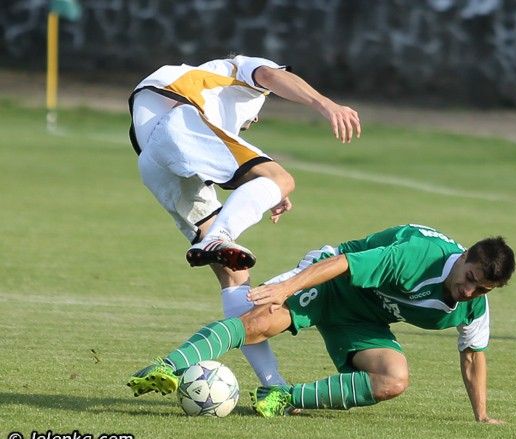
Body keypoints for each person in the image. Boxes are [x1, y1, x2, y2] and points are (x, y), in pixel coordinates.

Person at [128, 54, 361, 387]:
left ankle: (273, 384)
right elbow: (270, 75)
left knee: (236, 278)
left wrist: (265, 190)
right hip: (177, 121)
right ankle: (219, 237)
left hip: (152, 162)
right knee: (283, 179)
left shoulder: (208, 102)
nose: (256, 119)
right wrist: (326, 105)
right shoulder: (235, 70)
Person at [128, 224, 516, 422]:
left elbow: (473, 356)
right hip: (332, 281)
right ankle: (167, 367)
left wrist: (481, 415)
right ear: (464, 256)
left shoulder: (473, 308)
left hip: (365, 319)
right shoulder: (418, 256)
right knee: (258, 324)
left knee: (393, 379)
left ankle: (282, 397)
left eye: (482, 289)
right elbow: (343, 263)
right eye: (469, 278)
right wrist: (287, 288)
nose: (469, 291)